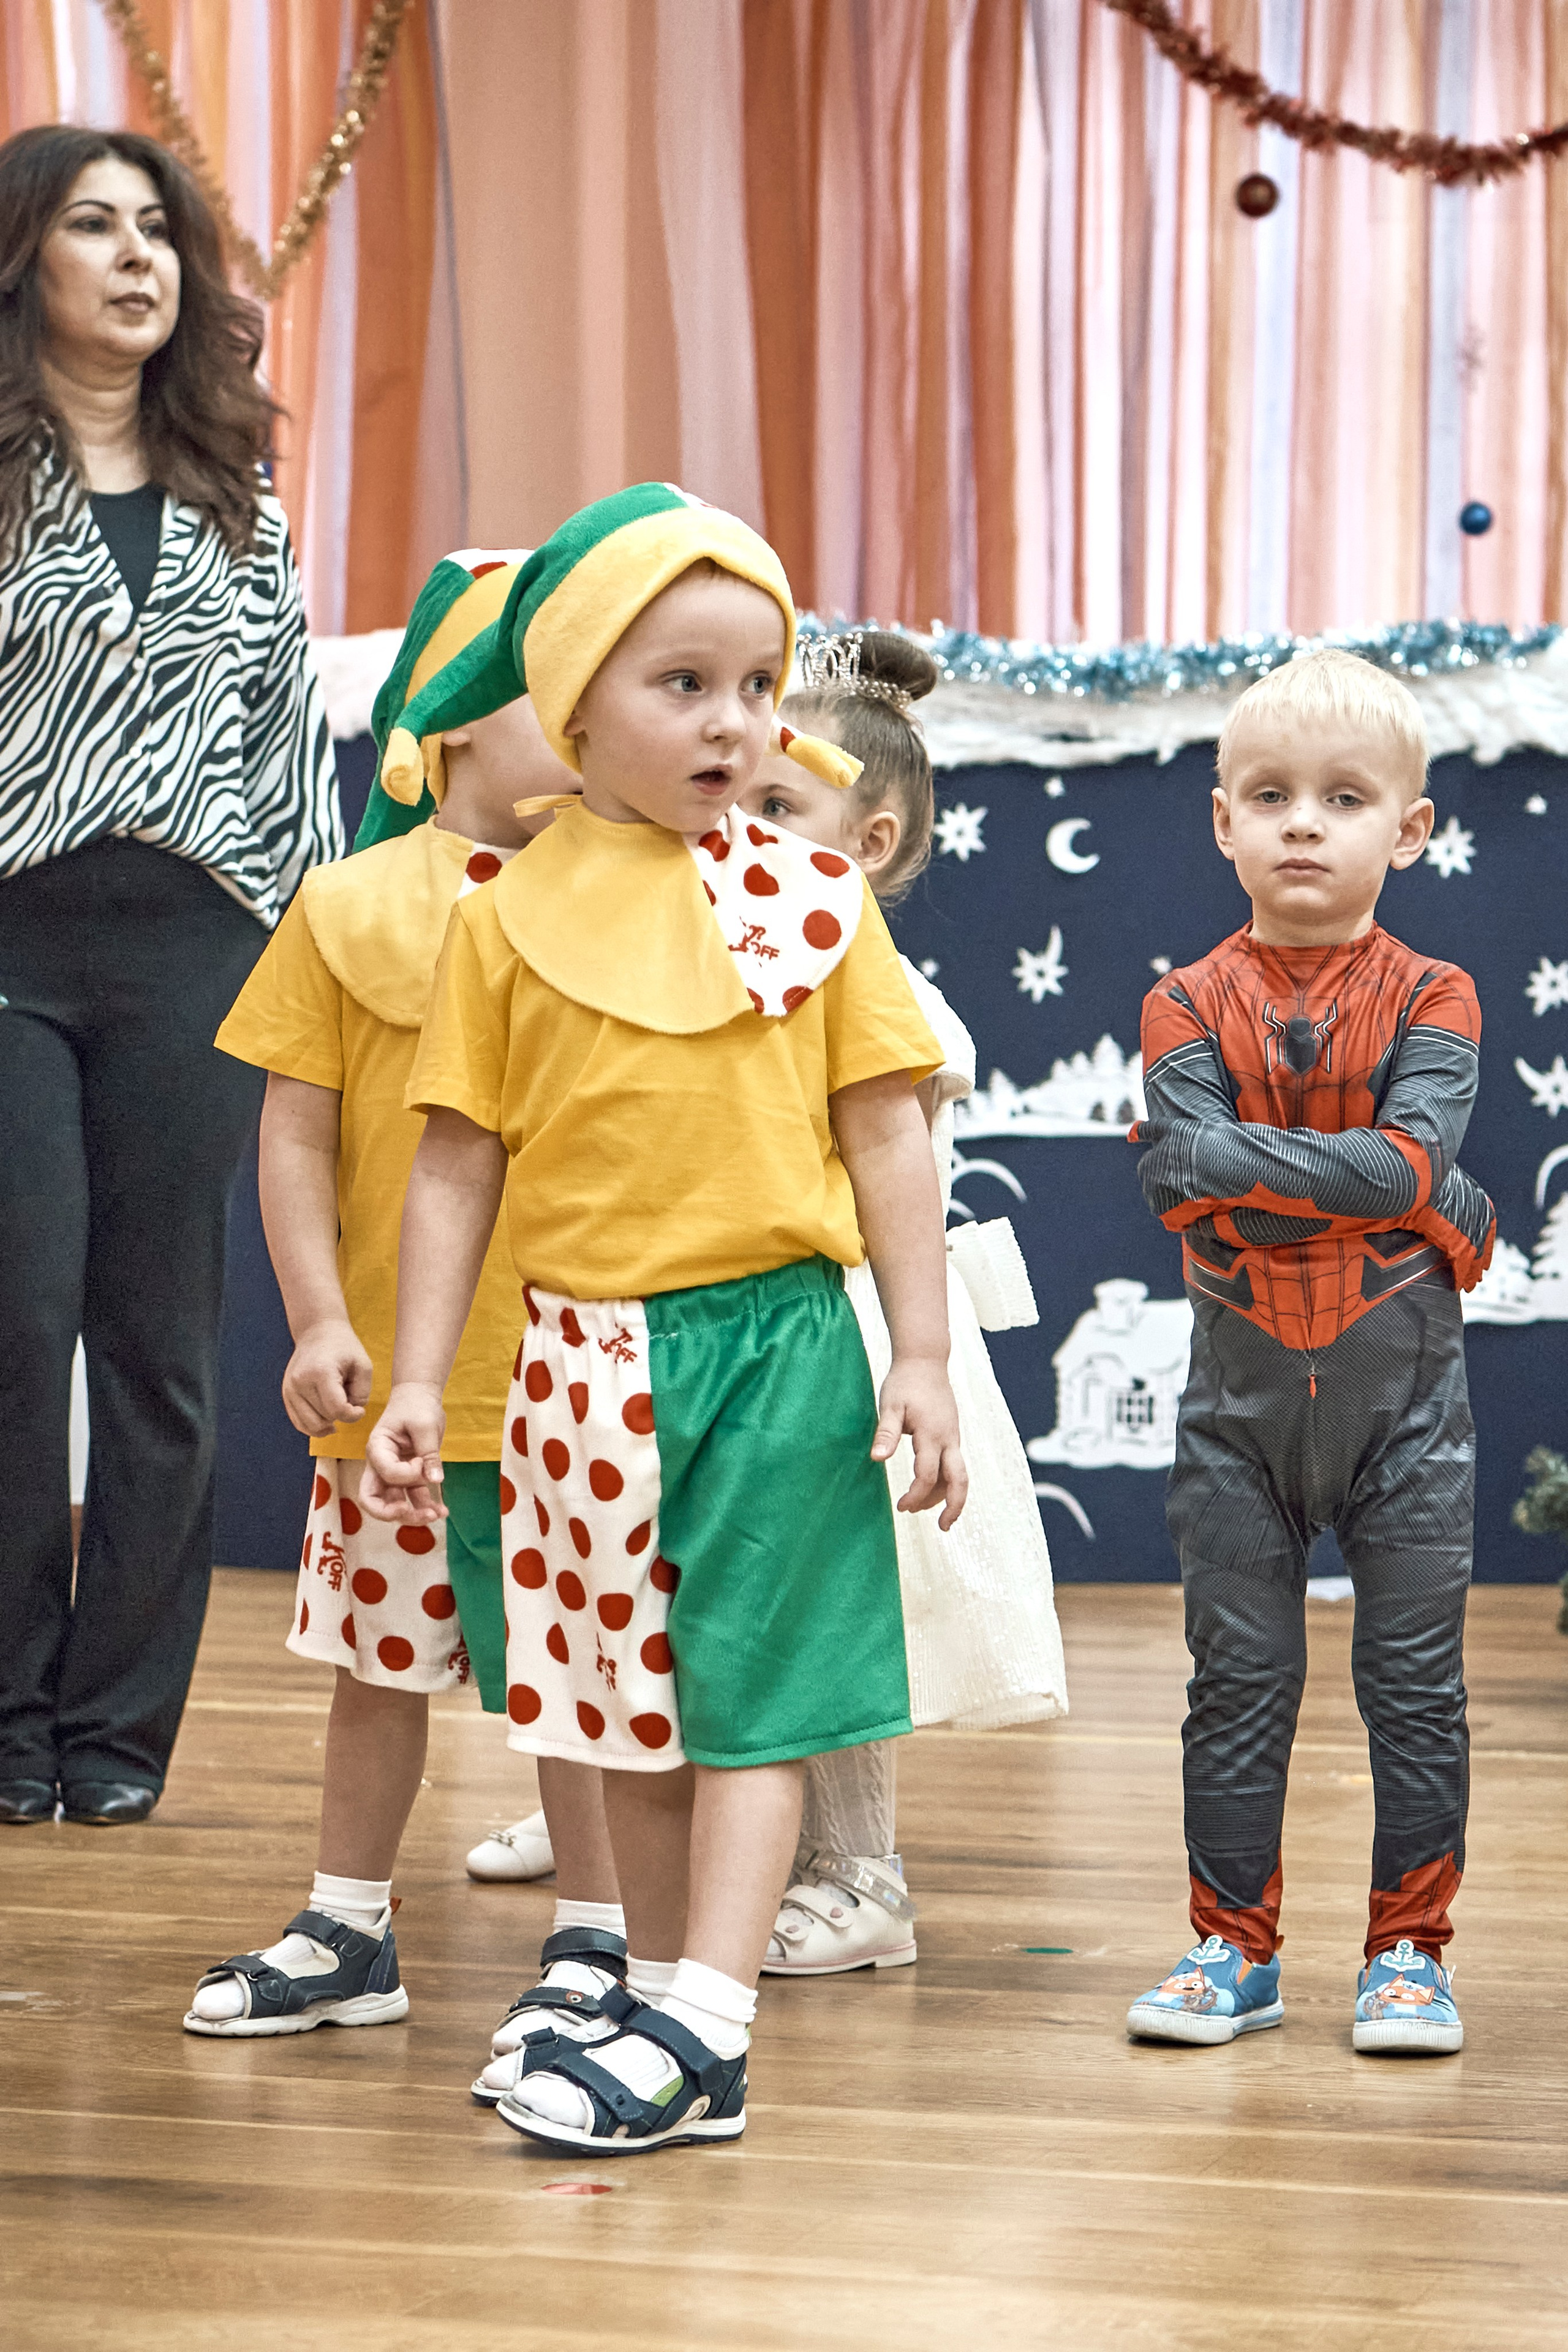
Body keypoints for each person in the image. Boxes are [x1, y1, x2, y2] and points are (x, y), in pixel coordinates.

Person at [360, 482, 963, 2154]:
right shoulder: (504, 920)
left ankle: (711, 2019)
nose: (734, 721)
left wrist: (916, 1353)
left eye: (756, 685)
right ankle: (641, 1972)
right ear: (567, 703)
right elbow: (453, 1167)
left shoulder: (816, 907)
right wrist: (420, 1375)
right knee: (615, 1690)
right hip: (575, 1361)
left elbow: (888, 1131)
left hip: (775, 1348)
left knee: (758, 1690)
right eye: (680, 683)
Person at [183, 552, 622, 2038]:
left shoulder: (628, 905)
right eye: (544, 699)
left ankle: (599, 1939)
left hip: (578, 1379)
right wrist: (319, 1315)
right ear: (441, 735)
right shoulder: (348, 906)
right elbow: (295, 1129)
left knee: (583, 1676)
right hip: (395, 1392)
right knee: (378, 1666)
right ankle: (347, 1923)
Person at [0, 128, 339, 1829]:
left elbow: (289, 744)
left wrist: (329, 959)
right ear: (25, 262)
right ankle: (4, 1725)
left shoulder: (240, 492)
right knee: (13, 1327)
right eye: (92, 225)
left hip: (199, 947)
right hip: (10, 945)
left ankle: (119, 1735)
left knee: (161, 1350)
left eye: (158, 231)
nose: (138, 257)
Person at [1121, 650, 1494, 2057]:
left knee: (1413, 1694)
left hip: (1409, 1418)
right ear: (1220, 820)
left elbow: (1399, 1155)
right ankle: (1231, 1949)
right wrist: (1417, 1196)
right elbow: (1389, 1177)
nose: (1298, 824)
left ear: (1405, 829)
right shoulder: (1179, 1001)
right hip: (1235, 1422)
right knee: (1234, 1689)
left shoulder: (1436, 993)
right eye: (1267, 796)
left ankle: (1407, 1954)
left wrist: (1224, 1160)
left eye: (1339, 799)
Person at [725, 630, 1067, 1978]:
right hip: (736, 1316)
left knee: (836, 1603)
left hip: (849, 1326)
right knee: (729, 1586)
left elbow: (887, 1181)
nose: (736, 831)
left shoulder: (885, 997)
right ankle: (628, 1806)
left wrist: (906, 1354)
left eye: (775, 809)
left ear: (866, 843)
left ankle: (860, 1871)